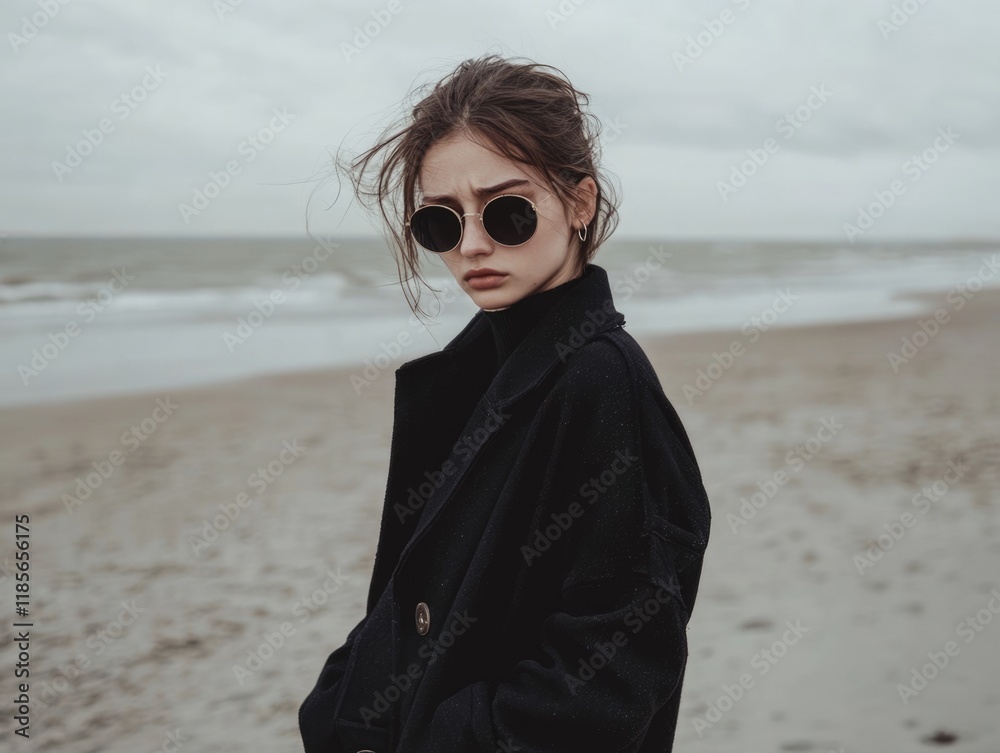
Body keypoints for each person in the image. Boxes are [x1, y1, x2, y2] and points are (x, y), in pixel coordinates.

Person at [298, 53, 712, 753]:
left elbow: (614, 664)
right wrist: (342, 705)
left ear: (579, 203)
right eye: (441, 222)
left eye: (508, 211)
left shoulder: (602, 383)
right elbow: (410, 594)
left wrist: (449, 736)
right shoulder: (474, 374)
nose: (473, 244)